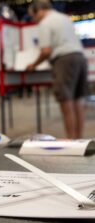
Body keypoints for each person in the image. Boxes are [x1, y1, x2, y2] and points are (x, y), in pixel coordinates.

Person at [27, 0, 88, 139]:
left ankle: (71, 140)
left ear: (39, 11)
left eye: (33, 16)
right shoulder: (64, 18)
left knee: (66, 102)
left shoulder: (45, 23)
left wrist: (33, 64)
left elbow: (46, 50)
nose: (34, 20)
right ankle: (79, 140)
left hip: (64, 60)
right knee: (78, 101)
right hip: (80, 57)